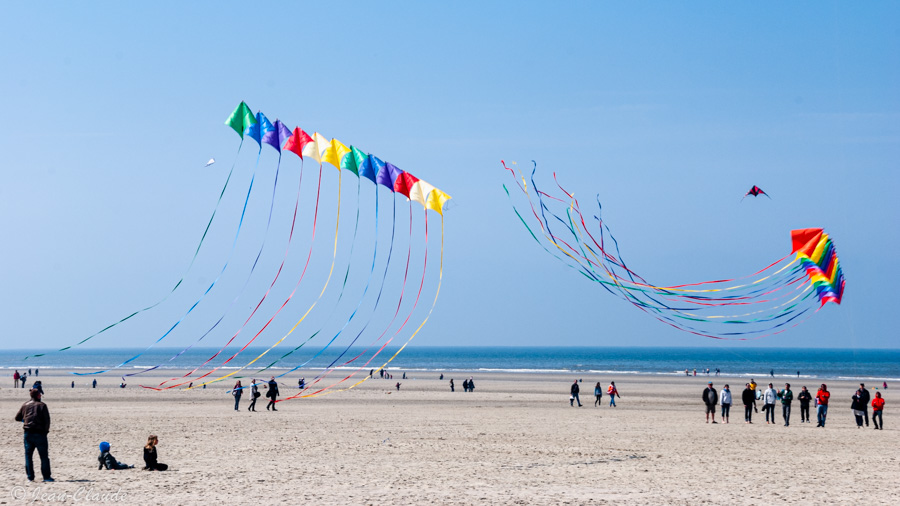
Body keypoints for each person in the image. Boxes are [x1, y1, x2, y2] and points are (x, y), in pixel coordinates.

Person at [15, 389, 53, 482]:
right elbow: (47, 421)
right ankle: (46, 477)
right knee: (43, 456)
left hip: (28, 432)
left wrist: (25, 419)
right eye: (40, 395)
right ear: (38, 396)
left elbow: (17, 418)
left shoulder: (25, 405)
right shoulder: (42, 405)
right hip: (39, 433)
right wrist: (45, 431)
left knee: (28, 456)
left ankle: (30, 477)